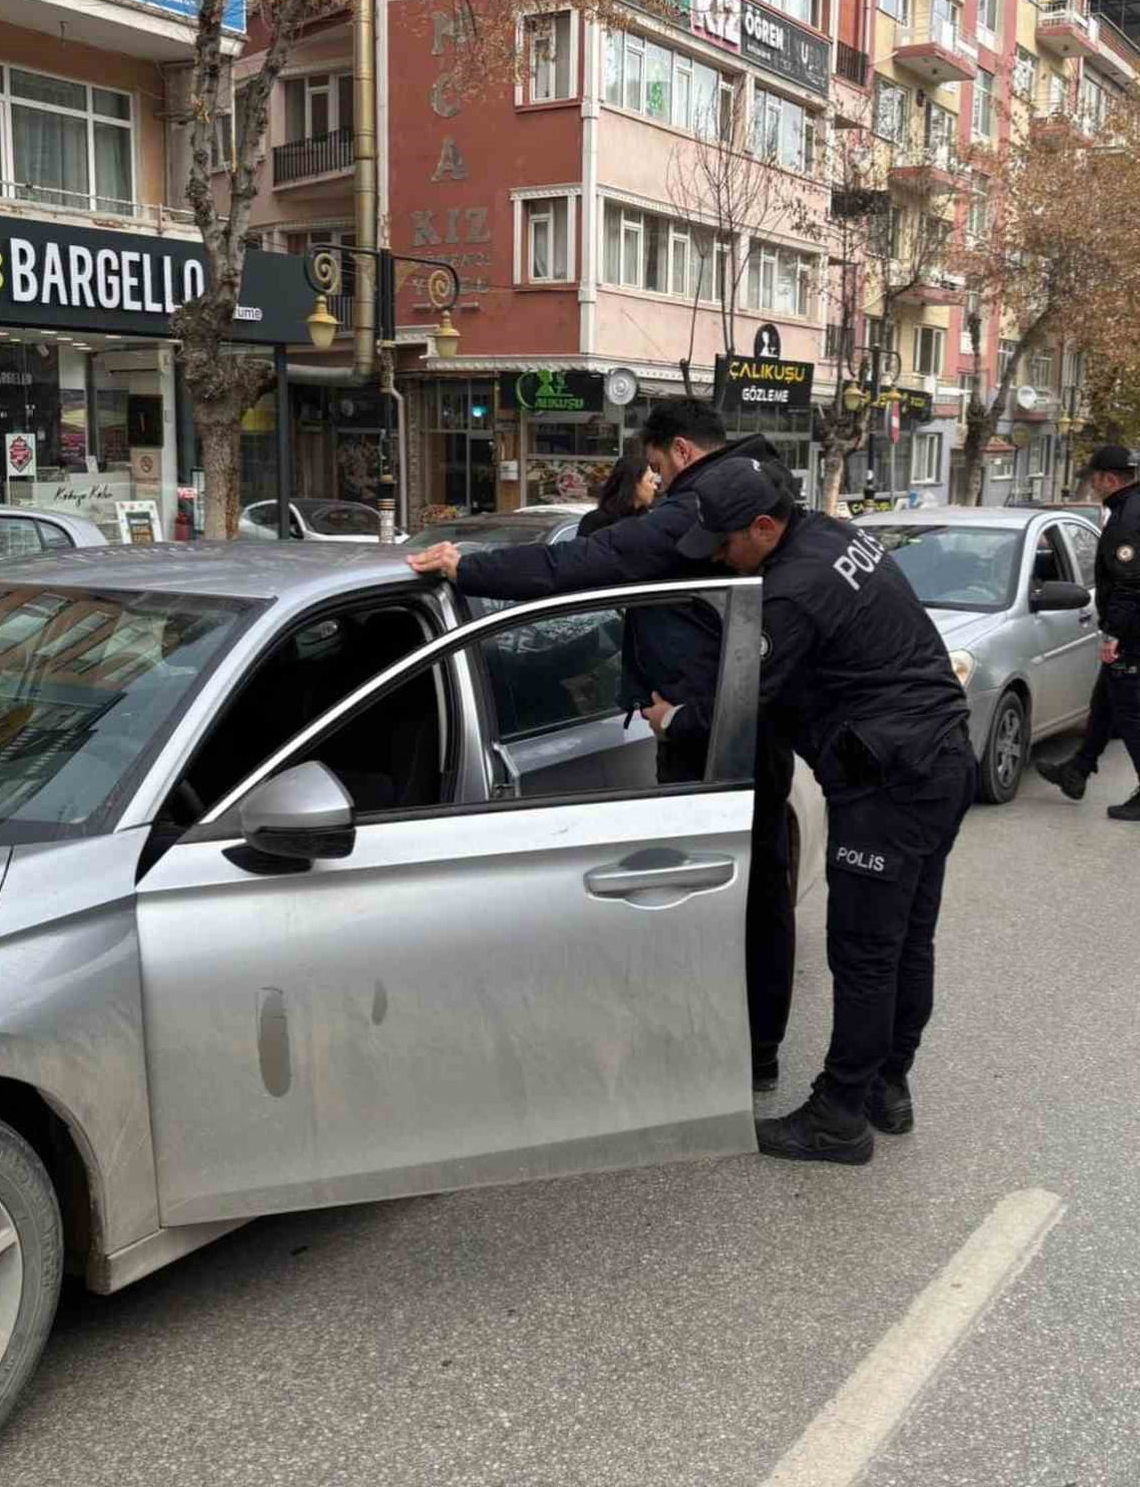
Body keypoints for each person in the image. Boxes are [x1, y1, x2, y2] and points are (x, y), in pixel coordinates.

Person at [407, 398, 799, 1092]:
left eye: (656, 468)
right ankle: (744, 1048)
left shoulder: (705, 505)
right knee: (749, 889)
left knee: (717, 896)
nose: (659, 484)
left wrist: (469, 570)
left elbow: (588, 563)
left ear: (679, 451)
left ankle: (726, 1054)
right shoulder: (757, 481)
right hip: (728, 722)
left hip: (710, 734)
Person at [646, 456, 974, 1166]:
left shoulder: (792, 592)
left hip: (890, 778)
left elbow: (741, 703)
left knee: (863, 952)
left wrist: (676, 719)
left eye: (728, 543)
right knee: (907, 941)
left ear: (765, 526)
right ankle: (888, 1085)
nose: (724, 558)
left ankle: (839, 1114)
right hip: (941, 756)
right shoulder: (829, 531)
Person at [1035, 445, 1140, 821]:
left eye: (1095, 477)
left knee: (1128, 712)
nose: (1092, 484)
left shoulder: (1127, 519)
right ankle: (1077, 770)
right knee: (1105, 702)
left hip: (1135, 629)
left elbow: (1130, 583)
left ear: (1110, 479)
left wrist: (1113, 635)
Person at [577, 455, 658, 536]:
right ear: (633, 484)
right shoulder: (595, 521)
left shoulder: (649, 521)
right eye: (650, 481)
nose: (655, 487)